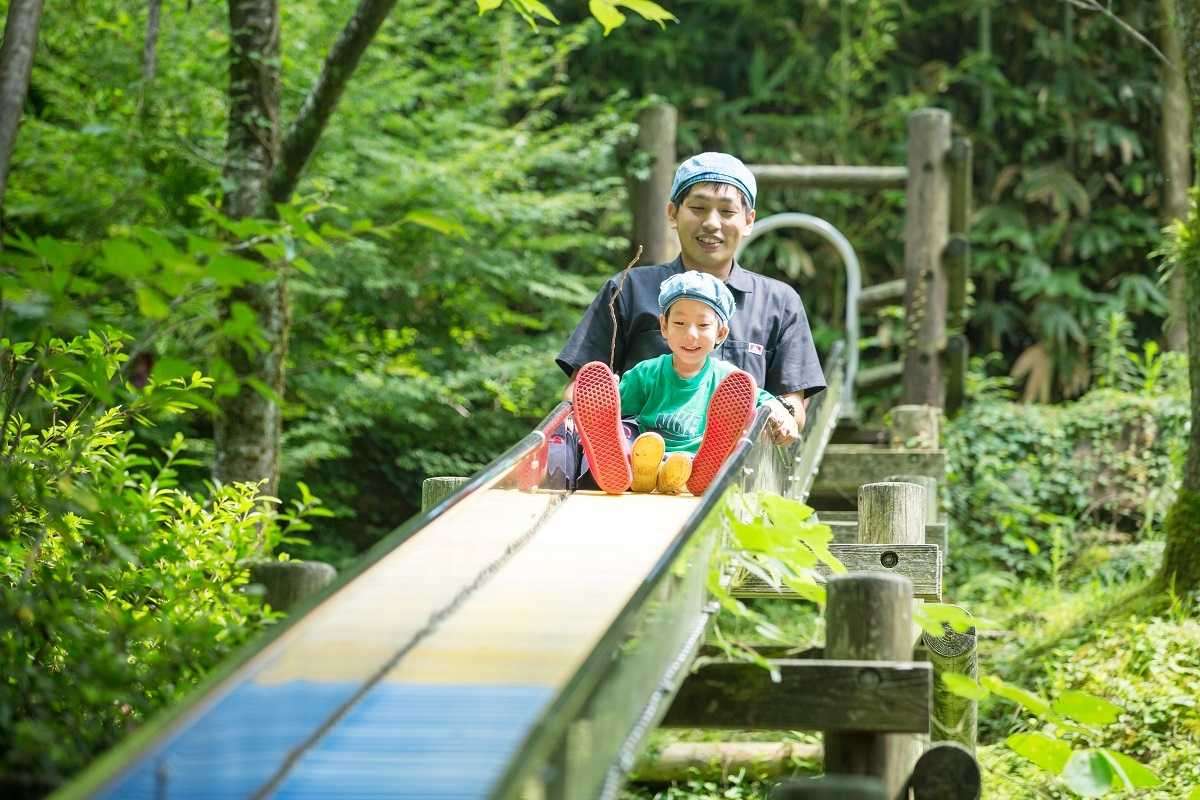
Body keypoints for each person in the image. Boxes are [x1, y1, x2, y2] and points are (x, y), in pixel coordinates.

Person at [557, 151, 826, 451]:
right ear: (672, 213)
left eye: (727, 212)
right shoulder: (629, 289)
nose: (712, 223)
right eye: (698, 208)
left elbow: (793, 404)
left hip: (740, 476)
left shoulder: (780, 302)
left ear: (749, 220)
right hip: (637, 472)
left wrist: (782, 418)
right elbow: (583, 386)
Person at [571, 271, 780, 495]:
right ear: (664, 326)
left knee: (704, 458)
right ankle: (632, 472)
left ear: (721, 333)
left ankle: (693, 474)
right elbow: (611, 413)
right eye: (679, 323)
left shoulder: (731, 382)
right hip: (643, 459)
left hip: (694, 465)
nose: (690, 334)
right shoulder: (647, 373)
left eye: (703, 325)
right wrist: (604, 397)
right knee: (624, 431)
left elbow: (762, 400)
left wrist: (780, 412)